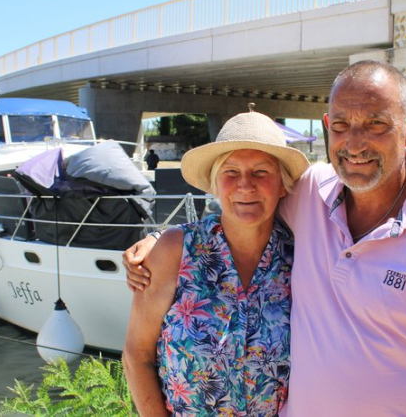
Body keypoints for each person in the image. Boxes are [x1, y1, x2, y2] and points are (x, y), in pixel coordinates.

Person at [124, 60, 406, 415]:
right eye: (341, 126)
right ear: (326, 126)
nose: (354, 144)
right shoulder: (313, 195)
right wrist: (161, 238)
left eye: (375, 124)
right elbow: (238, 208)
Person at [122, 110, 310, 415]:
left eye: (261, 172)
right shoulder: (175, 251)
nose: (245, 185)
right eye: (231, 172)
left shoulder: (301, 257)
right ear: (214, 182)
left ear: (283, 184)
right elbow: (136, 355)